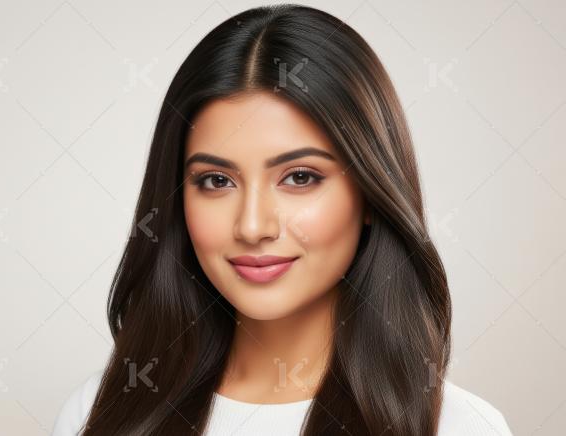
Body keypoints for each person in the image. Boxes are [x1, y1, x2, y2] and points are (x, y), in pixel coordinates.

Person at [54, 4, 513, 435]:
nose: (253, 227)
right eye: (216, 181)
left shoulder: (460, 426)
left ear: (372, 194)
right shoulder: (100, 411)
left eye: (299, 177)